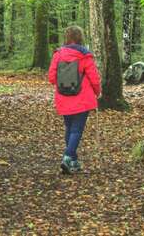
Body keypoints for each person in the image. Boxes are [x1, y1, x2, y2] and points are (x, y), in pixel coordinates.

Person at [48, 25, 101, 174]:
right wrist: (97, 92)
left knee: (70, 129)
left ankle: (74, 161)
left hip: (63, 98)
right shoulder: (85, 55)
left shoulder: (58, 54)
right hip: (82, 99)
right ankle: (67, 157)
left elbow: (52, 78)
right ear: (80, 38)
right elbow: (94, 78)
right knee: (76, 130)